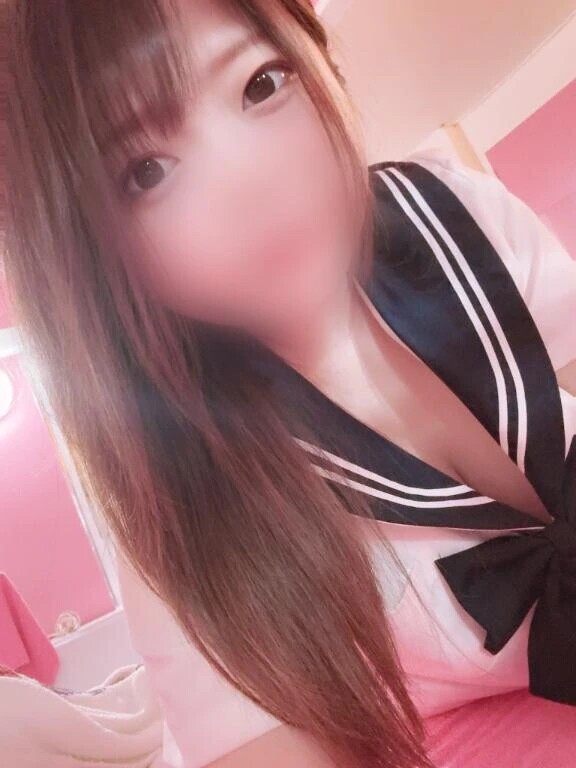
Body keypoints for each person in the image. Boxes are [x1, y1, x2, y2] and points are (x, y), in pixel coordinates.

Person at [4, 1, 576, 766]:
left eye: (261, 83)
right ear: (85, 255)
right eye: (146, 172)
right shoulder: (178, 498)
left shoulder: (451, 217)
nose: (251, 180)